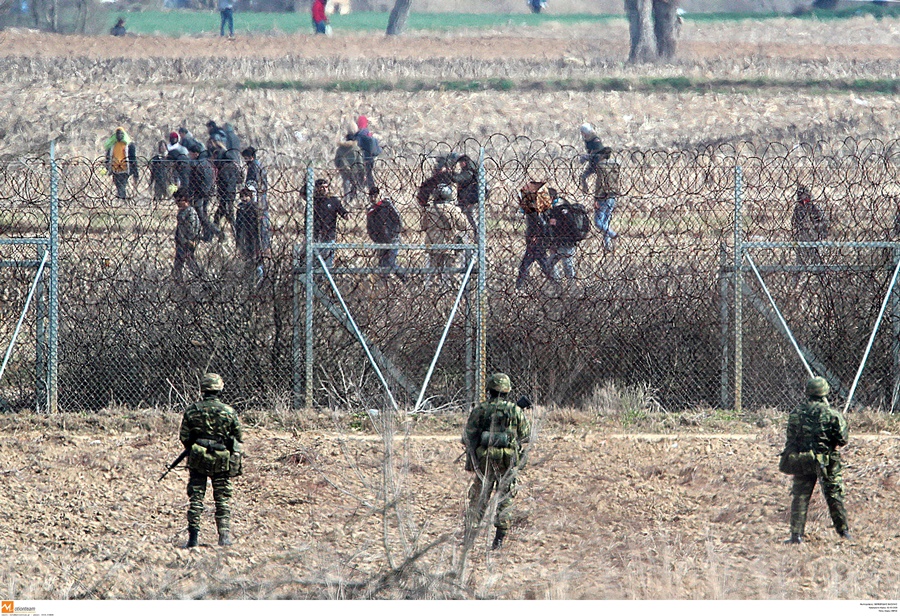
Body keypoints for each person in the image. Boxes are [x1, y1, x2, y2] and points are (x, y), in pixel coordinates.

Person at [463, 373, 531, 550]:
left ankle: (469, 539)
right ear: (507, 390)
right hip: (507, 461)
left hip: (484, 460)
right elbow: (526, 435)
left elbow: (467, 437)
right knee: (505, 497)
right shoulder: (515, 411)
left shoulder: (480, 410)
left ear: (489, 390)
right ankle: (499, 540)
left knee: (479, 497)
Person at [780, 376, 850, 544]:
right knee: (834, 495)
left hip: (804, 460)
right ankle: (843, 532)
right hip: (827, 462)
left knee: (800, 497)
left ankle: (796, 535)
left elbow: (791, 439)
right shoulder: (832, 414)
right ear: (825, 392)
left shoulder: (796, 413)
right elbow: (842, 439)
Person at [179, 373, 244, 548]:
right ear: (219, 388)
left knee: (196, 498)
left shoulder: (192, 410)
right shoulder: (229, 412)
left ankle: (193, 538)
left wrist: (197, 444)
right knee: (222, 498)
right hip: (221, 459)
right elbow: (238, 436)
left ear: (202, 389)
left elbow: (184, 436)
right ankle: (224, 536)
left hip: (198, 457)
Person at [417, 163, 468, 282]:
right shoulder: (453, 210)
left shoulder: (429, 210)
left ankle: (432, 292)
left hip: (433, 245)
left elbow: (423, 226)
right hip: (448, 244)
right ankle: (451, 291)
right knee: (451, 272)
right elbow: (463, 225)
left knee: (433, 271)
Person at [579, 123, 619, 251]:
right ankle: (607, 245)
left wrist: (587, 157)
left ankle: (612, 235)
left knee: (599, 222)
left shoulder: (595, 141)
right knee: (605, 221)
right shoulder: (589, 141)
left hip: (602, 192)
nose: (583, 136)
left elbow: (596, 155)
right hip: (611, 194)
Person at [515, 181, 554, 289]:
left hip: (536, 241)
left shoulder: (535, 207)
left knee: (526, 266)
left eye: (528, 187)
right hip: (536, 240)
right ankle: (557, 284)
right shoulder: (535, 205)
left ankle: (519, 287)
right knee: (543, 264)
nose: (524, 188)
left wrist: (535, 235)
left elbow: (540, 224)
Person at [546, 189, 588, 281]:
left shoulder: (562, 208)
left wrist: (557, 223)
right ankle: (558, 283)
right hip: (559, 243)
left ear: (551, 198)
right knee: (549, 265)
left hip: (567, 242)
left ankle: (571, 286)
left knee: (567, 266)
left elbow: (570, 223)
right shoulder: (553, 208)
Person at [366, 187, 405, 281]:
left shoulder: (387, 206)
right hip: (380, 241)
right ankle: (386, 285)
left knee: (391, 263)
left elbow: (398, 221)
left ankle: (404, 278)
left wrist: (393, 234)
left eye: (375, 196)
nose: (373, 199)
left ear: (379, 196)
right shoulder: (371, 210)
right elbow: (370, 226)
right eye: (371, 197)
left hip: (392, 239)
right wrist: (374, 237)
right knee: (382, 265)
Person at [187, 143, 220, 242]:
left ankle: (216, 231)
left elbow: (195, 181)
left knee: (201, 215)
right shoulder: (208, 163)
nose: (190, 156)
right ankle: (208, 236)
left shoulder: (198, 165)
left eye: (191, 154)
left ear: (196, 154)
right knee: (203, 214)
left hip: (200, 194)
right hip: (208, 192)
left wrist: (193, 194)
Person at [313, 178, 348, 268]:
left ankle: (326, 280)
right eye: (322, 187)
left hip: (329, 234)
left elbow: (341, 210)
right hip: (316, 235)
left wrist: (345, 214)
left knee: (328, 262)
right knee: (316, 262)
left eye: (326, 187)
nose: (325, 189)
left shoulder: (333, 200)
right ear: (317, 189)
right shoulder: (314, 202)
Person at [210, 137, 241, 233]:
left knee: (225, 215)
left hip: (225, 195)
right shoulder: (233, 166)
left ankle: (220, 233)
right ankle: (220, 233)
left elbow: (225, 183)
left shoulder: (224, 169)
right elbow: (239, 180)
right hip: (230, 194)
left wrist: (224, 195)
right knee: (223, 215)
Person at [792, 185, 828, 266]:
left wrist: (816, 227)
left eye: (802, 194)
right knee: (799, 263)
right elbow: (794, 222)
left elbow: (824, 221)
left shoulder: (813, 207)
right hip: (801, 239)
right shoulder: (798, 208)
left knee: (816, 263)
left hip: (813, 239)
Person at [172, 189, 202, 283]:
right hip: (181, 242)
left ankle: (204, 283)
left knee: (191, 265)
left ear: (185, 200)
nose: (177, 203)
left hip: (187, 243)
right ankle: (178, 283)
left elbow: (193, 228)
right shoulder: (182, 211)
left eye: (178, 201)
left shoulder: (190, 212)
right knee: (178, 265)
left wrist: (190, 240)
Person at [234, 186, 263, 280]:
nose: (244, 198)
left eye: (246, 196)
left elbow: (258, 225)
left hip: (253, 237)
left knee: (256, 259)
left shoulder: (254, 208)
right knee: (248, 260)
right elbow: (238, 225)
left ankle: (259, 278)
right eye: (242, 196)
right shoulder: (240, 209)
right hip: (244, 236)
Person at [103, 126, 138, 200]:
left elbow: (133, 158)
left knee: (122, 184)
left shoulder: (129, 145)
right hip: (115, 168)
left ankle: (121, 198)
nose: (119, 135)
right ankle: (122, 199)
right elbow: (108, 156)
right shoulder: (112, 145)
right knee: (118, 184)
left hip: (125, 168)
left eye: (121, 134)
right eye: (118, 134)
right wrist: (107, 166)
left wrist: (135, 171)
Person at [334, 125, 366, 202]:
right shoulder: (356, 148)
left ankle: (347, 200)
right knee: (357, 185)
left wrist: (339, 167)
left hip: (344, 170)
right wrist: (363, 172)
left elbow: (336, 161)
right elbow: (360, 162)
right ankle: (355, 199)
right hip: (355, 170)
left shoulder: (340, 148)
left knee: (346, 184)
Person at [448, 153, 479, 231]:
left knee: (469, 220)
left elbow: (457, 179)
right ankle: (473, 236)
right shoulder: (471, 172)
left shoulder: (469, 173)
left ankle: (475, 237)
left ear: (464, 163)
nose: (459, 165)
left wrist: (448, 173)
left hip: (468, 201)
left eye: (460, 163)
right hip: (467, 200)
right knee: (469, 220)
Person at [352, 115, 382, 190]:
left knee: (360, 177)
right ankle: (372, 192)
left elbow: (357, 147)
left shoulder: (359, 135)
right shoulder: (369, 134)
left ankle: (359, 194)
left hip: (362, 159)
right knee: (369, 176)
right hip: (370, 159)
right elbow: (377, 150)